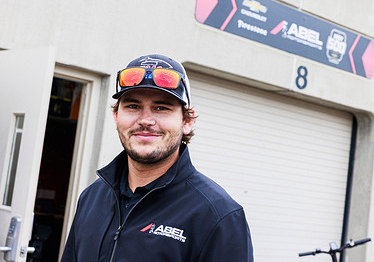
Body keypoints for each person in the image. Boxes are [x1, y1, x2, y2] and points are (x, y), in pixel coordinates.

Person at [61, 54, 254, 261]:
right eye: (133, 106)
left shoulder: (218, 215)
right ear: (116, 117)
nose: (145, 120)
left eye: (161, 108)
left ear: (187, 121)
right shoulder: (91, 198)